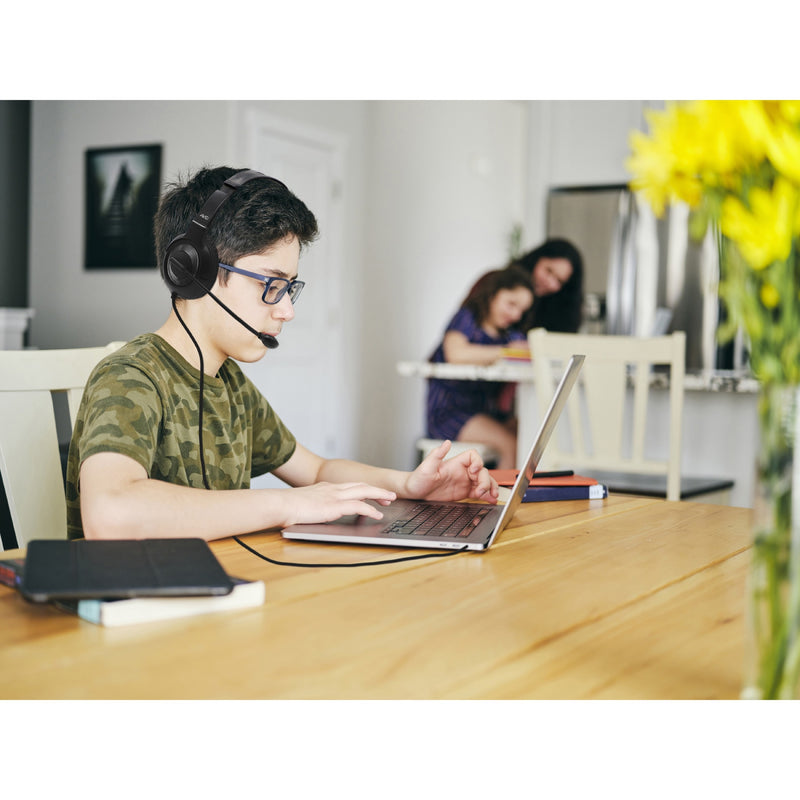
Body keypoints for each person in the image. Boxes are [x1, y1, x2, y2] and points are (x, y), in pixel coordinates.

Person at [65, 166, 499, 542]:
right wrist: (287, 506)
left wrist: (409, 484)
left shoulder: (230, 386)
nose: (287, 310)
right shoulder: (130, 377)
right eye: (270, 285)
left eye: (289, 288)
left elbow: (316, 472)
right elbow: (111, 514)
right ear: (194, 269)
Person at [425, 266, 534, 470]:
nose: (516, 314)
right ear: (493, 293)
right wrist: (506, 351)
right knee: (510, 444)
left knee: (534, 433)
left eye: (522, 310)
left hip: (486, 413)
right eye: (511, 304)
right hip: (450, 412)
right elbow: (455, 354)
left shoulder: (510, 335)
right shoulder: (468, 319)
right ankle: (503, 501)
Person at [463, 237, 584, 334]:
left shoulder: (559, 314)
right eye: (548, 271)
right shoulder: (493, 281)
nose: (550, 282)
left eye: (559, 281)